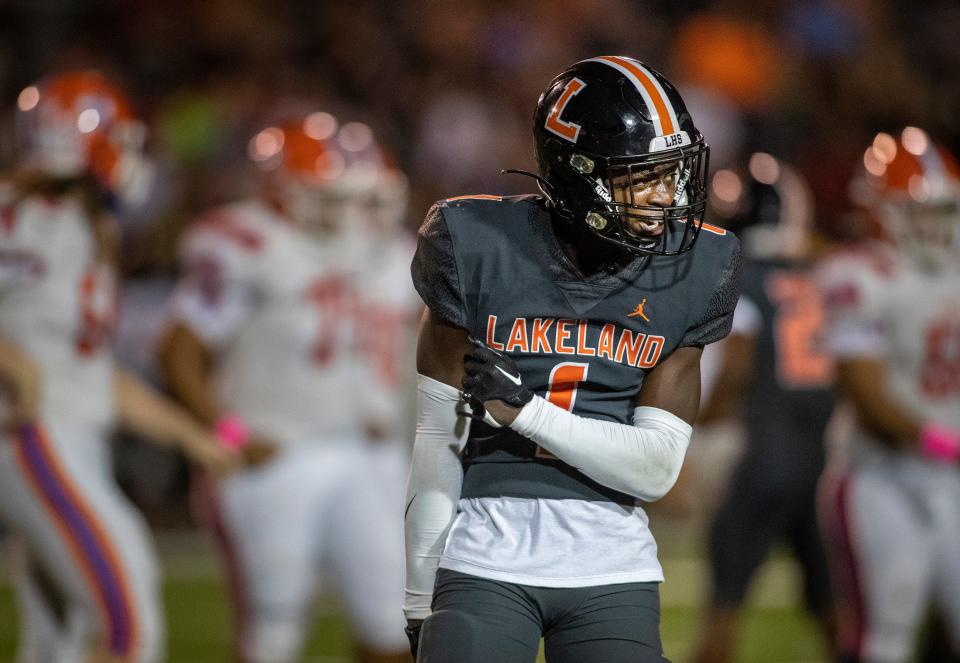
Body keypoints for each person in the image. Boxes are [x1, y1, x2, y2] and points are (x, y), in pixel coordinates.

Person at [402, 56, 741, 663]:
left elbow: (656, 470)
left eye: (675, 172)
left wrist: (524, 410)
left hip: (612, 564)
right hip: (485, 552)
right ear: (579, 175)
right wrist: (418, 596)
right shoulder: (473, 244)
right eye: (643, 176)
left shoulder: (697, 268)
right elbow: (436, 441)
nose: (669, 197)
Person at [156, 113, 415, 663]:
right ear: (281, 189)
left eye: (362, 195)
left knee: (396, 627)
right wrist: (226, 432)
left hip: (368, 456)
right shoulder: (249, 242)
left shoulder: (393, 253)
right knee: (272, 631)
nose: (353, 212)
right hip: (276, 454)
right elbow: (179, 350)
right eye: (333, 195)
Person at [0, 70, 237, 663]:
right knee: (130, 624)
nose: (129, 155)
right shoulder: (21, 213)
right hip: (31, 435)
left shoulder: (85, 229)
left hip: (69, 434)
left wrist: (193, 437)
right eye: (116, 139)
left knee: (54, 644)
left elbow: (90, 374)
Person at [816, 127, 960, 663]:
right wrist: (949, 444)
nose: (935, 227)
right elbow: (869, 396)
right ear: (880, 210)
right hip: (882, 477)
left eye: (943, 212)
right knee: (886, 636)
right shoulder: (858, 275)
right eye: (919, 211)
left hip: (951, 478)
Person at [691, 153, 835, 663]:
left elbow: (736, 370)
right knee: (834, 609)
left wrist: (698, 423)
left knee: (723, 606)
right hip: (821, 458)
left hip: (766, 453)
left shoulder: (743, 278)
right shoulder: (820, 279)